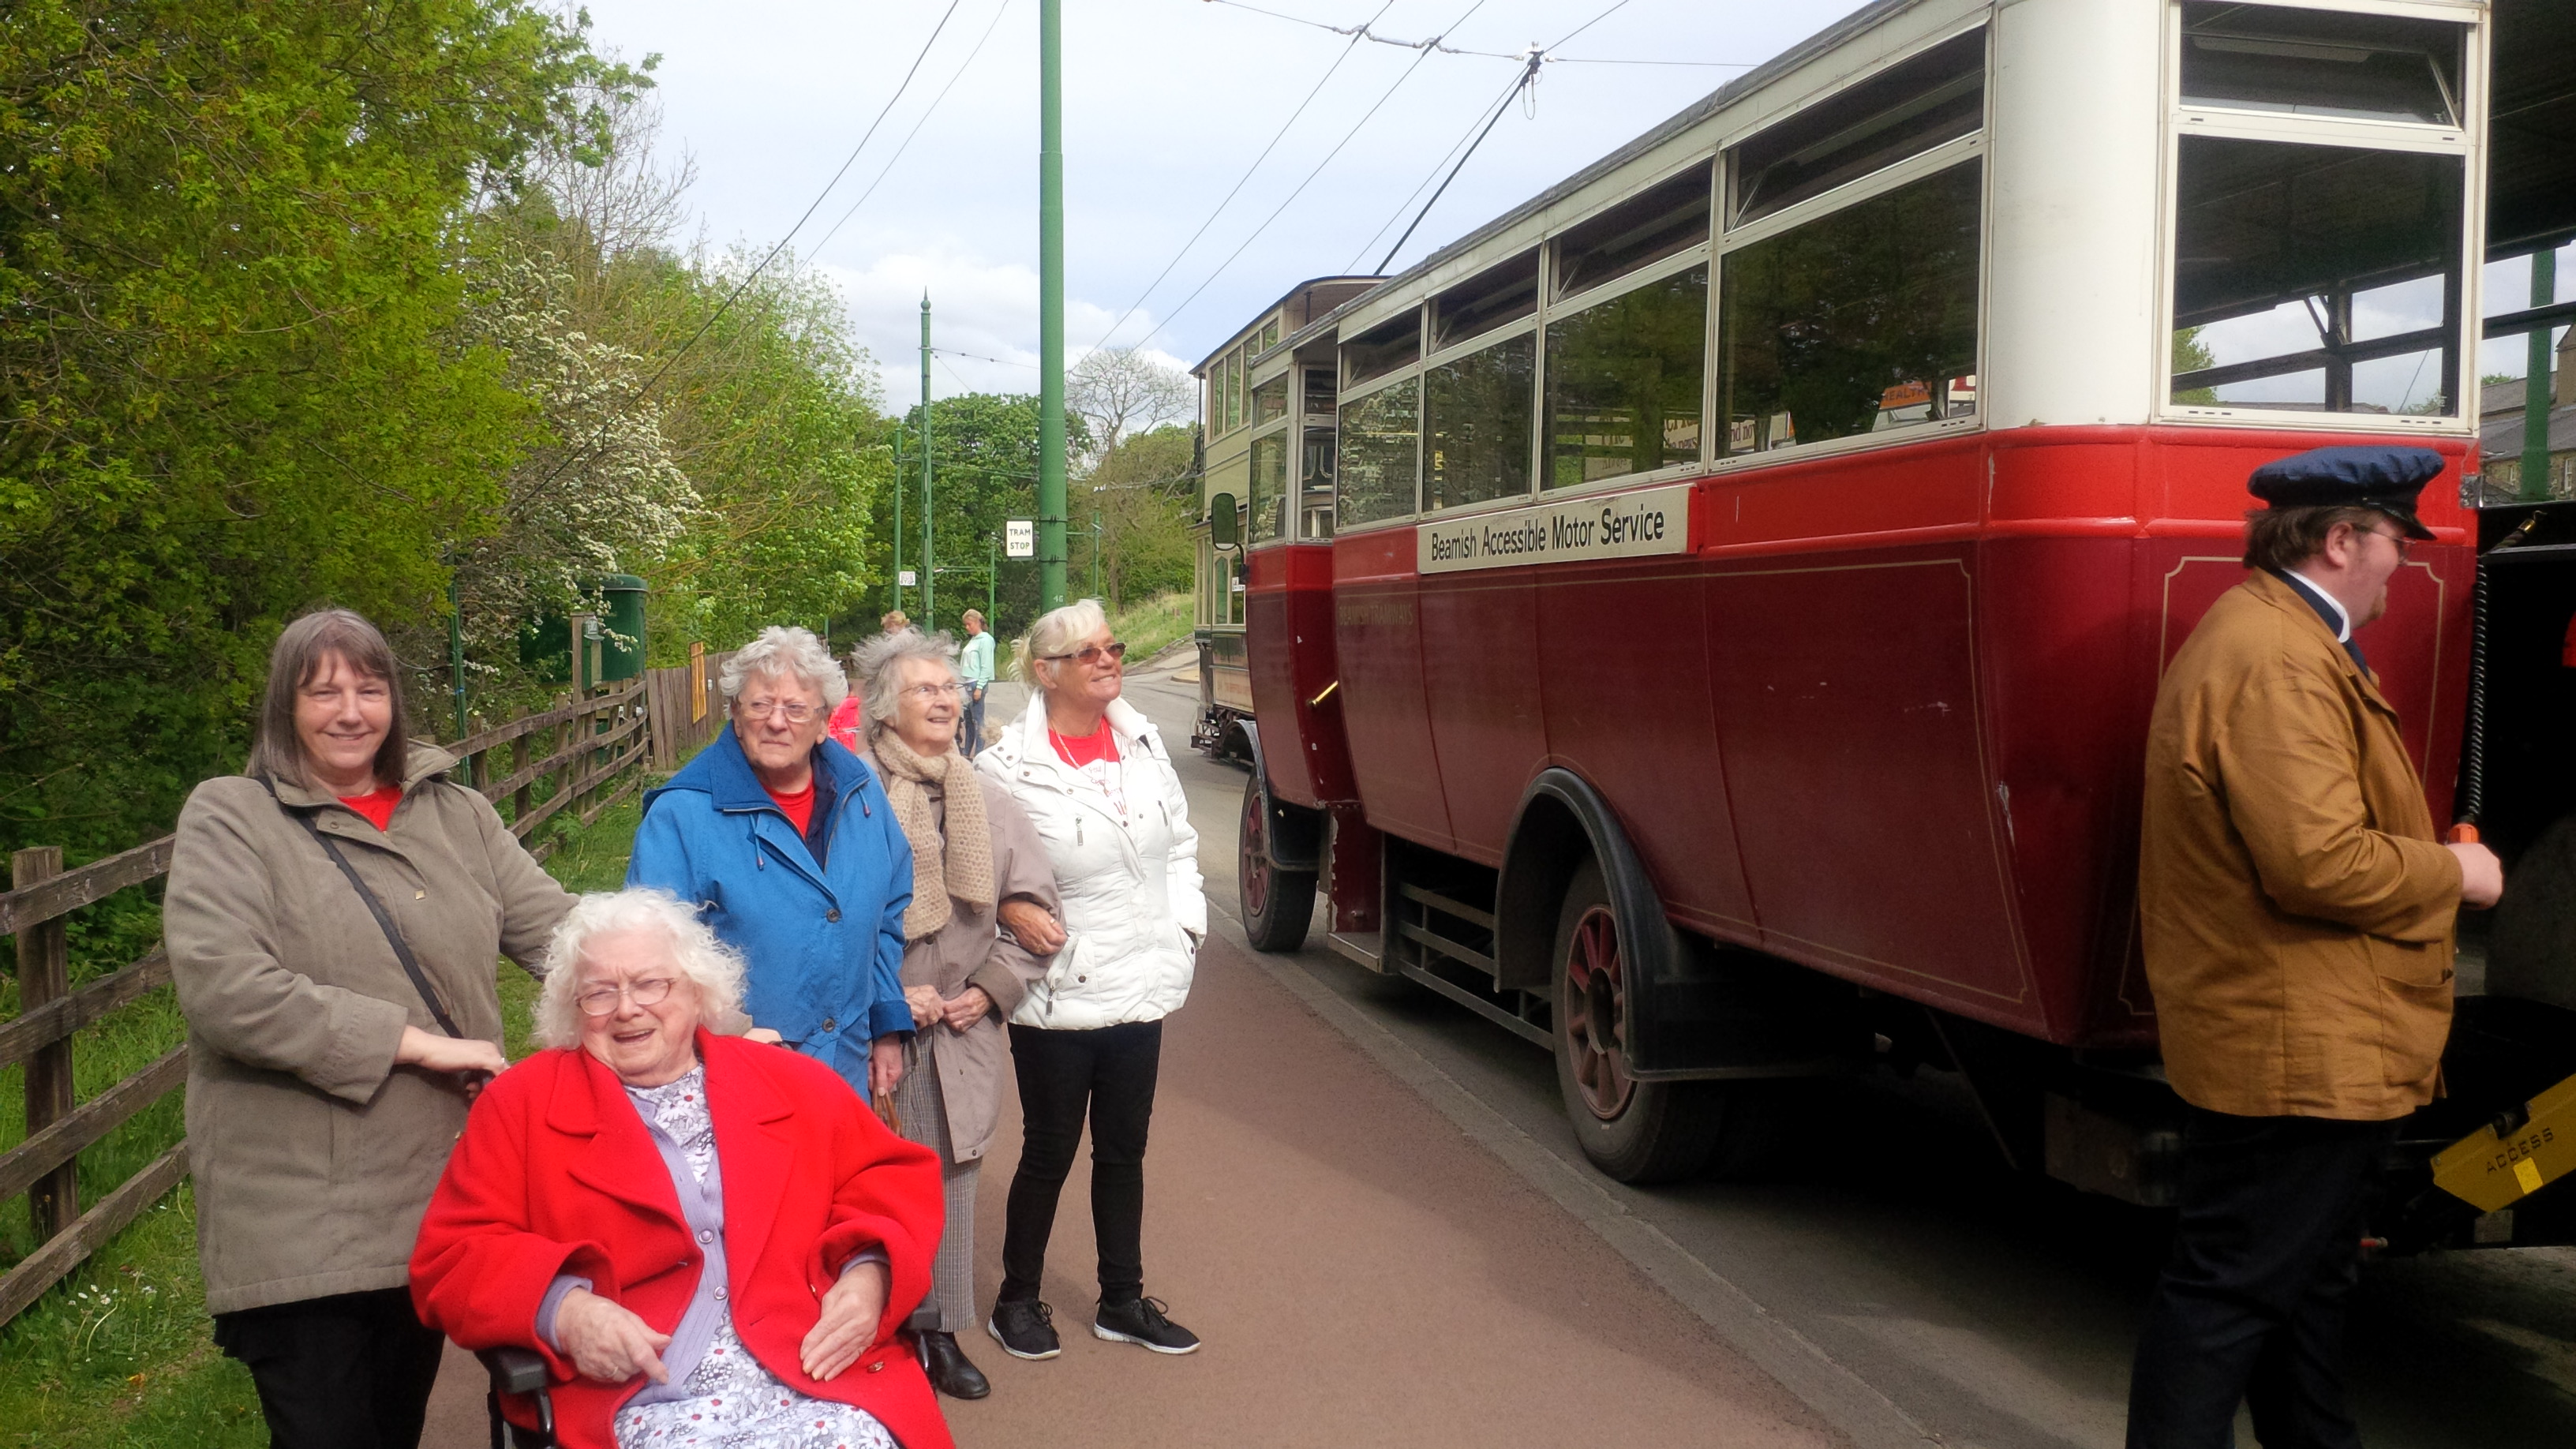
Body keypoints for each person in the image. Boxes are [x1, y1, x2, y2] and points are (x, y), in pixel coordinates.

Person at [2126, 445, 2505, 1448]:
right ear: (2342, 540)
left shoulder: (2284, 639)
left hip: (2303, 1038)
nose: (2404, 565)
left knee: (2298, 1291)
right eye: (2394, 543)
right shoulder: (2280, 659)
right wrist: (2457, 876)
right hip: (2294, 1048)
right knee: (2231, 1297)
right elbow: (2320, 864)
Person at [163, 608, 575, 1449]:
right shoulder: (234, 817)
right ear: (286, 708)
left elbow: (566, 937)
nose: (349, 711)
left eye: (369, 688)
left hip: (434, 1201)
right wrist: (419, 1043)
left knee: (394, 1429)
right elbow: (228, 990)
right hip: (301, 1218)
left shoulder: (454, 815)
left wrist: (710, 1017)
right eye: (322, 692)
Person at [410, 889, 952, 1449]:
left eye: (650, 984)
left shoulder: (791, 1081)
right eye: (599, 993)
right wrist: (563, 1311)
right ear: (574, 1010)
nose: (626, 1009)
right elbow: (455, 1255)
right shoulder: (522, 1105)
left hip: (814, 1371)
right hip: (644, 1397)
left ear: (697, 992)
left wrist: (870, 1274)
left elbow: (888, 1180)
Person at [977, 599, 1206, 1361]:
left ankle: (1122, 1301)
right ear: (1047, 673)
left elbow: (1180, 843)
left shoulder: (1142, 744)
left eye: (1113, 648)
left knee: (1124, 1151)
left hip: (1144, 981)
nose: (1110, 660)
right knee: (1048, 1152)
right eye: (1090, 653)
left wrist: (1187, 928)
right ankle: (1017, 1300)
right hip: (1058, 991)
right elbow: (970, 873)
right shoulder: (1004, 769)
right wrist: (1012, 905)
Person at [848, 627, 1065, 1398]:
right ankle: (862, 1328)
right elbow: (826, 916)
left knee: (949, 1183)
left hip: (958, 1034)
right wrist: (880, 995)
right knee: (854, 1183)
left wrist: (991, 989)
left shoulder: (987, 799)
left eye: (949, 688)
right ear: (883, 710)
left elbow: (1038, 914)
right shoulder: (851, 795)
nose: (944, 700)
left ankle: (937, 1330)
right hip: (866, 1027)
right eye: (923, 689)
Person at [627, 625, 914, 1103]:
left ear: (825, 723)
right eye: (760, 705)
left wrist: (884, 1025)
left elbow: (886, 917)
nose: (777, 722)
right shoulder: (681, 815)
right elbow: (652, 964)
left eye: (797, 708)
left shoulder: (860, 791)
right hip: (732, 1079)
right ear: (735, 716)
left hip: (847, 1069)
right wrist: (735, 1037)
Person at [956, 608, 996, 759]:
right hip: (967, 683)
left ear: (978, 623)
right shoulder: (974, 640)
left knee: (978, 720)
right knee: (968, 720)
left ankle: (979, 752)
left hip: (975, 683)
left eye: (969, 624)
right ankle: (967, 751)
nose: (967, 627)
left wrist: (979, 687)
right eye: (965, 625)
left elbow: (986, 665)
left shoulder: (985, 640)